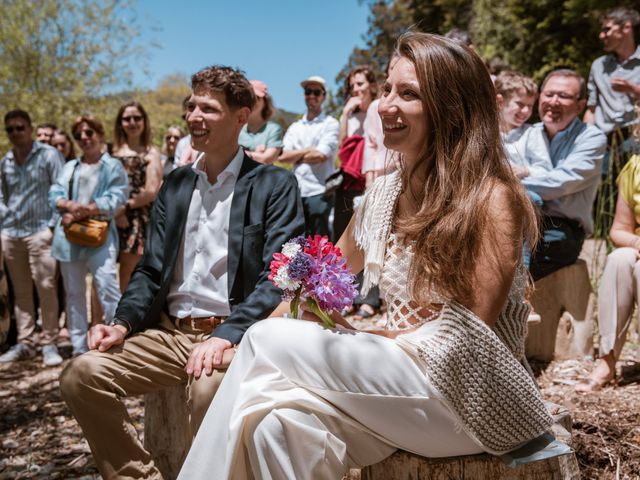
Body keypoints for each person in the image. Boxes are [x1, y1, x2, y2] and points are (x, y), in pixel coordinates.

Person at [179, 33, 554, 479]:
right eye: (386, 91)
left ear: (451, 106)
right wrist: (252, 328)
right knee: (275, 424)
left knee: (266, 340)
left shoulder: (492, 197)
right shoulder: (383, 195)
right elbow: (312, 284)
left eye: (409, 94)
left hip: (472, 400)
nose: (386, 106)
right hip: (397, 393)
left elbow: (470, 335)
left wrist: (365, 338)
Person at [59, 65, 305, 479]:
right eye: (191, 106)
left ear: (241, 116)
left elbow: (278, 278)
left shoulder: (274, 186)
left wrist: (226, 336)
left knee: (209, 391)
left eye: (208, 108)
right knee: (80, 375)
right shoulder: (174, 186)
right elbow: (151, 270)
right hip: (169, 334)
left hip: (232, 334)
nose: (194, 116)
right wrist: (121, 323)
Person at [49, 115, 127, 356]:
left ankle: (114, 342)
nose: (84, 138)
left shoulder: (112, 165)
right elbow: (54, 193)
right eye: (79, 134)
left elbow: (118, 196)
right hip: (69, 237)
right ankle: (79, 347)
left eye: (89, 133)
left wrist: (86, 209)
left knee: (107, 286)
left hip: (99, 235)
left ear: (99, 134)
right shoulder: (70, 166)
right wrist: (68, 206)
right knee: (74, 292)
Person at [522, 69, 607, 280]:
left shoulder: (592, 138)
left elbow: (561, 183)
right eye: (549, 94)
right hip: (522, 218)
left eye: (564, 96)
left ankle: (513, 304)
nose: (554, 101)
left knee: (508, 262)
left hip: (560, 228)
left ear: (580, 105)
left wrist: (511, 184)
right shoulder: (526, 134)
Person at [0, 110, 64, 367]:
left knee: (46, 287)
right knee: (21, 291)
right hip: (11, 234)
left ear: (29, 127)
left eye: (20, 127)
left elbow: (60, 189)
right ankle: (26, 342)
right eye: (10, 129)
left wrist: (51, 227)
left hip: (40, 232)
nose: (16, 133)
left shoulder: (48, 155)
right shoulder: (5, 161)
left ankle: (49, 342)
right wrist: (4, 223)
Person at [576, 151, 640, 392]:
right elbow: (620, 230)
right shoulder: (634, 167)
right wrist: (636, 243)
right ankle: (607, 360)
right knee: (617, 260)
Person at [112, 101, 163, 291]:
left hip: (137, 220)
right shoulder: (110, 152)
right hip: (109, 217)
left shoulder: (151, 152)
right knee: (104, 272)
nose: (132, 122)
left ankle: (121, 318)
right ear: (120, 123)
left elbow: (151, 191)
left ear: (144, 121)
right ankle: (99, 318)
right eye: (127, 118)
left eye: (137, 118)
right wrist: (115, 212)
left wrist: (123, 208)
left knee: (128, 270)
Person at [279, 75, 339, 237]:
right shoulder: (295, 126)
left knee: (320, 245)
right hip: (297, 192)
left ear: (324, 96)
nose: (311, 96)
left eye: (316, 92)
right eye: (308, 91)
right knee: (297, 243)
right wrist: (309, 150)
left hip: (320, 192)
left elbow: (321, 155)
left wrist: (296, 155)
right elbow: (282, 156)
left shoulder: (330, 124)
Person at [334, 65, 377, 241]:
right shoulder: (351, 118)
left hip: (372, 180)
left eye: (360, 84)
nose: (355, 89)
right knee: (344, 233)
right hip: (349, 183)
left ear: (372, 86)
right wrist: (344, 114)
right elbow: (341, 149)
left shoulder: (380, 111)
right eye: (352, 86)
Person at [585, 7, 640, 143]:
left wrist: (634, 89)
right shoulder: (598, 66)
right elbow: (591, 109)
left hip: (635, 137)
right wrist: (585, 140)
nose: (601, 36)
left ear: (626, 27)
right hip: (603, 140)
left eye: (607, 29)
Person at [238, 80, 283, 164]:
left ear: (265, 101)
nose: (252, 102)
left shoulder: (273, 129)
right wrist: (256, 154)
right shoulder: (237, 128)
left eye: (256, 98)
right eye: (248, 98)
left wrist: (244, 153)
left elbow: (267, 159)